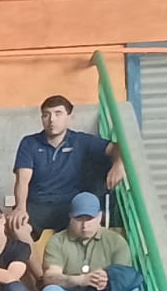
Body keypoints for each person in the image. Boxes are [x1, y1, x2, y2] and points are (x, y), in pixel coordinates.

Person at [39, 192, 144, 291]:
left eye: (89, 219)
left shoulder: (115, 240)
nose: (84, 225)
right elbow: (49, 277)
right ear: (70, 217)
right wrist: (79, 280)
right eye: (79, 219)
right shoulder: (57, 241)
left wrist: (108, 279)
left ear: (99, 217)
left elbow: (124, 275)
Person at [10, 95, 125, 234]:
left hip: (71, 204)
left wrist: (119, 164)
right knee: (17, 227)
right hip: (37, 204)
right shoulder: (29, 143)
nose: (52, 120)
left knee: (86, 224)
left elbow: (116, 147)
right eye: (46, 115)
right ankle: (29, 250)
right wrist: (20, 208)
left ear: (69, 117)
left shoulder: (80, 141)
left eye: (58, 114)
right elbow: (22, 181)